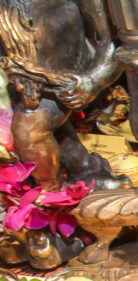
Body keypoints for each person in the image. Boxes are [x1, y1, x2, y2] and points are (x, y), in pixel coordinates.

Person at [0, 0, 124, 190]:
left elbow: (114, 39)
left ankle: (50, 195)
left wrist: (93, 81)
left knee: (29, 133)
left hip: (70, 76)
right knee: (43, 125)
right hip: (24, 81)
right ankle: (84, 169)